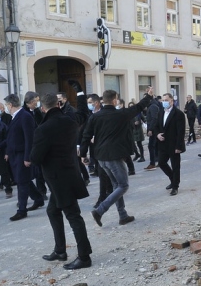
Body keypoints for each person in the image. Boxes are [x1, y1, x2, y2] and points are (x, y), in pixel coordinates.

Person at [29, 93, 93, 270]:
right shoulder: (69, 121)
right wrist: (79, 93)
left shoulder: (43, 129)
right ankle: (60, 250)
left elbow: (36, 157)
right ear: (58, 104)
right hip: (70, 173)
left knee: (73, 216)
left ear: (43, 108)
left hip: (58, 179)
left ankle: (84, 256)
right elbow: (82, 113)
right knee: (52, 211)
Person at [80, 87, 154, 227]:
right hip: (113, 157)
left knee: (116, 186)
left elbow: (86, 136)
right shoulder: (121, 114)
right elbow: (138, 107)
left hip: (101, 157)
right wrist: (148, 96)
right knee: (123, 185)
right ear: (114, 100)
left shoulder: (95, 117)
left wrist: (83, 154)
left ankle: (123, 216)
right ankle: (99, 211)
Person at [0, 94, 42, 221]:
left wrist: (28, 157)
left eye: (6, 105)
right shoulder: (15, 117)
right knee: (23, 179)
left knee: (22, 182)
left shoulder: (25, 116)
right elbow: (11, 137)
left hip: (22, 154)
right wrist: (4, 149)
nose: (6, 107)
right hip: (14, 154)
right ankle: (38, 199)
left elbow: (29, 138)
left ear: (10, 105)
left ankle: (22, 210)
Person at [153, 93, 186, 196]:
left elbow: (181, 131)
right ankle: (173, 179)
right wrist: (157, 134)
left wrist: (179, 146)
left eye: (166, 100)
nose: (164, 102)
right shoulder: (161, 112)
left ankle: (175, 186)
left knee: (176, 166)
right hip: (163, 144)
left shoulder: (178, 114)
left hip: (174, 144)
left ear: (172, 101)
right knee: (162, 163)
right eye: (163, 100)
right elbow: (156, 126)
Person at [144, 94, 161, 171]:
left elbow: (154, 118)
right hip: (154, 128)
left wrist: (150, 129)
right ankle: (158, 161)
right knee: (155, 145)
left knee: (151, 146)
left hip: (154, 129)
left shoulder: (153, 106)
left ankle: (152, 163)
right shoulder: (152, 105)